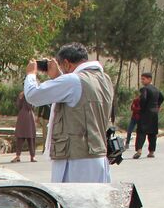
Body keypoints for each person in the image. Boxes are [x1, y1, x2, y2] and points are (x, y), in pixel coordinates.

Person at [22, 43, 113, 182]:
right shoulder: (104, 79)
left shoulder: (73, 80)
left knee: (72, 203)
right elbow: (77, 99)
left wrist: (31, 75)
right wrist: (58, 76)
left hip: (76, 161)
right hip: (97, 156)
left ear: (66, 63)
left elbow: (33, 95)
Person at [133, 72, 164, 159]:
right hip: (154, 114)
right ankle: (151, 152)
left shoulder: (145, 89)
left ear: (149, 79)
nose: (142, 81)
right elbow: (162, 97)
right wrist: (157, 106)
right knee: (153, 133)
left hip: (145, 113)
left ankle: (139, 150)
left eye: (143, 79)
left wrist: (142, 107)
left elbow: (143, 99)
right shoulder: (156, 89)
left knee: (141, 132)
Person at [12, 90, 37, 162]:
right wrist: (20, 98)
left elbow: (31, 107)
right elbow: (18, 106)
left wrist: (29, 97)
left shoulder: (32, 95)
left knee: (31, 137)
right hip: (22, 116)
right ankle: (18, 155)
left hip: (29, 117)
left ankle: (32, 156)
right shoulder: (21, 95)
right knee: (20, 137)